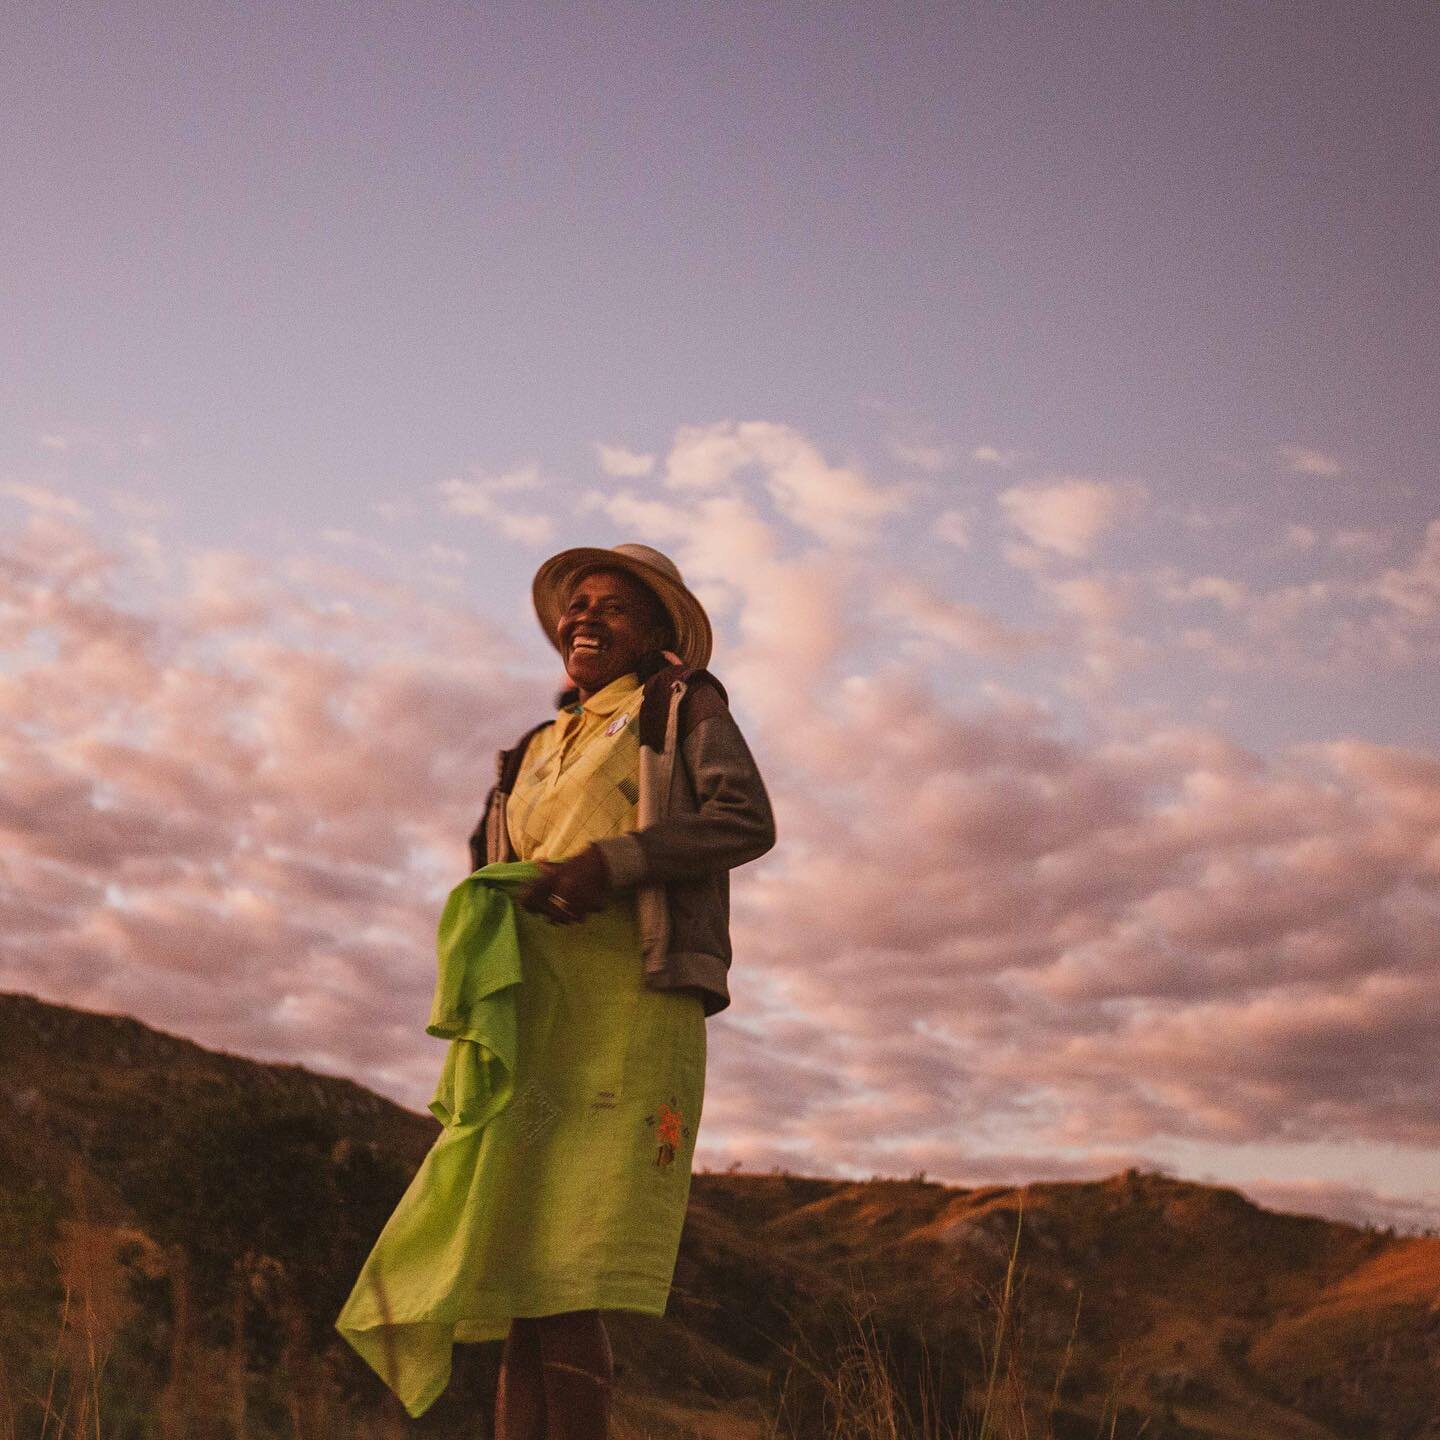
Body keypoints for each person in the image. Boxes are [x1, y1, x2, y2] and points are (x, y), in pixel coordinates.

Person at [338, 543, 774, 1440]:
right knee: (524, 1276)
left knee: (572, 1270)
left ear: (658, 630)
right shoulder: (530, 750)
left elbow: (743, 819)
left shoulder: (680, 705)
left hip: (628, 1005)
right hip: (536, 1013)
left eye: (615, 607)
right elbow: (489, 863)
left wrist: (610, 865)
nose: (587, 618)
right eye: (579, 605)